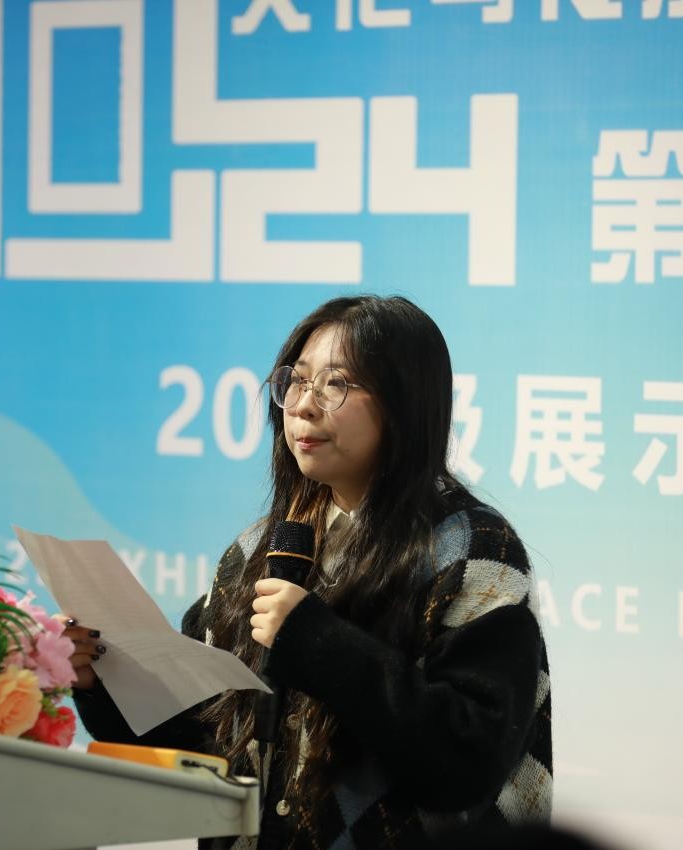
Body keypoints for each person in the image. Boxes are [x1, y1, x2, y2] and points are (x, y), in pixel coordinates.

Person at [66, 295, 552, 849]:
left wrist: (318, 642)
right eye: (296, 381)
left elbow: (467, 760)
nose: (302, 405)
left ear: (404, 403)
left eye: (335, 384)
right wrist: (106, 682)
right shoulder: (262, 548)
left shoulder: (473, 550)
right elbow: (205, 738)